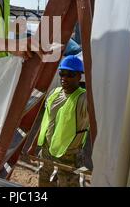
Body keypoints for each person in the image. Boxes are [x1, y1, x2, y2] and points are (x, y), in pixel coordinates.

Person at [37, 55, 91, 187]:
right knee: (44, 183)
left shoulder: (84, 99)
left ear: (79, 76)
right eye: (62, 73)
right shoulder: (54, 93)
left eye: (70, 74)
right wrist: (34, 145)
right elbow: (46, 121)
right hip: (47, 151)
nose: (64, 78)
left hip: (70, 156)